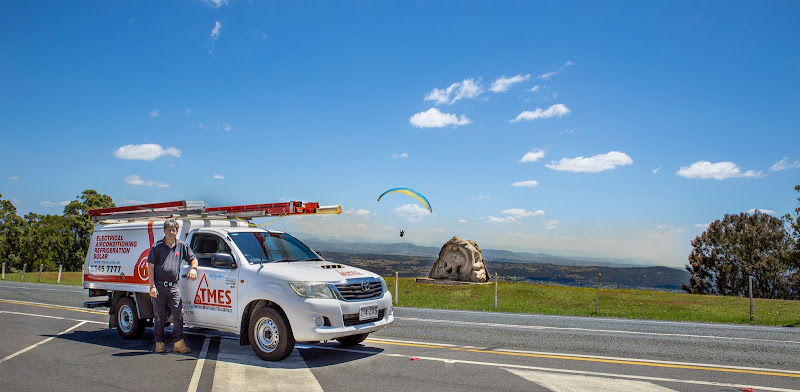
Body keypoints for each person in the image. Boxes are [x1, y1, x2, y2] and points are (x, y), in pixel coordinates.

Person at [147, 218, 198, 354]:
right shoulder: (157, 247)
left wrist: (194, 269)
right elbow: (150, 267)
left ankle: (178, 343)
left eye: (174, 230)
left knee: (179, 314)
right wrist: (152, 286)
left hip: (173, 287)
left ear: (177, 231)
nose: (171, 232)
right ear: (164, 231)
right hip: (158, 286)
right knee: (158, 316)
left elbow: (193, 259)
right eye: (169, 230)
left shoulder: (181, 246)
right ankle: (159, 344)